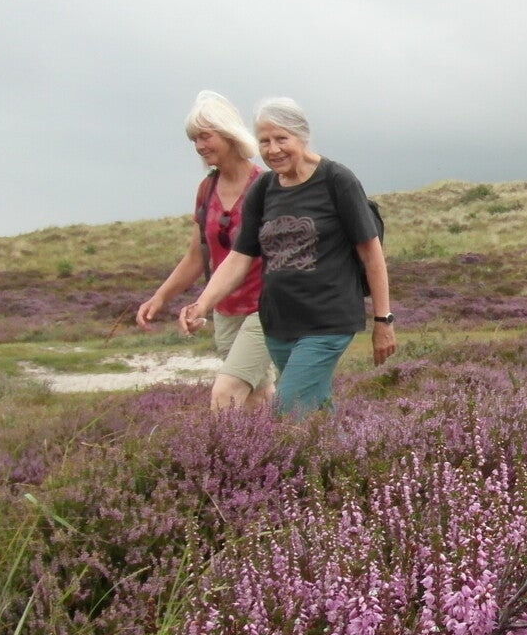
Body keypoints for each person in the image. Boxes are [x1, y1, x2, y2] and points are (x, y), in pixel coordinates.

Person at [178, 98, 396, 415]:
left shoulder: (336, 180)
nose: (273, 150)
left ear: (301, 136)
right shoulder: (263, 188)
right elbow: (239, 258)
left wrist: (383, 319)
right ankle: (348, 446)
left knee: (289, 407)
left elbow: (371, 255)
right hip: (278, 324)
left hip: (328, 322)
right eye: (264, 141)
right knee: (313, 410)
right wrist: (202, 304)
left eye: (282, 139)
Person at [136, 91, 276, 412]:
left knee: (226, 392)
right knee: (257, 397)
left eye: (205, 136)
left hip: (267, 307)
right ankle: (288, 438)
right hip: (224, 309)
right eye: (194, 140)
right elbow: (196, 257)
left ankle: (219, 446)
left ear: (228, 133)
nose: (199, 146)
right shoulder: (206, 189)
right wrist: (160, 298)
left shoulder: (267, 186)